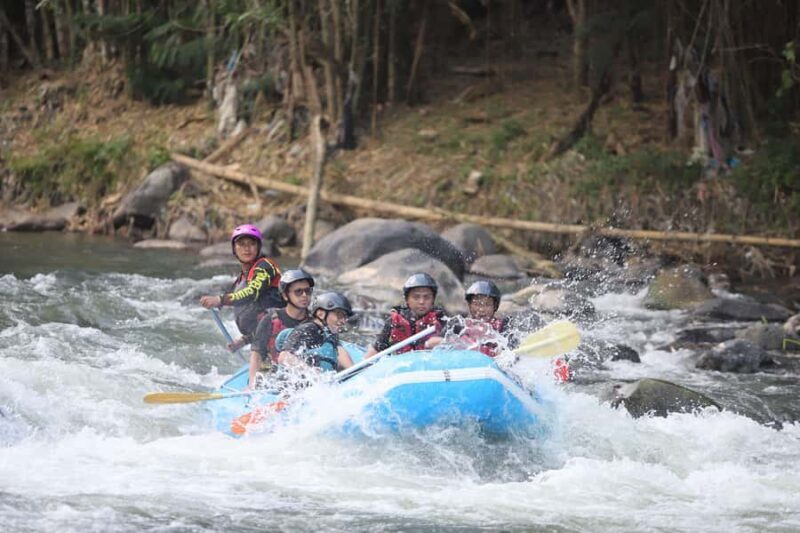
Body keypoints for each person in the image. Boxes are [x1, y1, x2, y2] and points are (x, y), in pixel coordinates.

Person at [199, 224, 282, 350]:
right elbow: (258, 317)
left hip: (280, 335)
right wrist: (244, 341)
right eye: (241, 244)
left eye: (251, 244)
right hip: (265, 339)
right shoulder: (241, 279)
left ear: (258, 247)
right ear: (234, 249)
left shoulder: (265, 266)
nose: (246, 248)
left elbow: (253, 292)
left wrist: (221, 299)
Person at [247, 269, 314, 389]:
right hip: (274, 376)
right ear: (285, 295)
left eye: (308, 291)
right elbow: (256, 354)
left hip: (303, 376)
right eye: (298, 292)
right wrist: (252, 383)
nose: (304, 295)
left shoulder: (314, 322)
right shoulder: (270, 320)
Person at [364, 273, 447, 358]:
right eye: (416, 297)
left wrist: (444, 342)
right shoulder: (393, 322)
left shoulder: (442, 320)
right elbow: (376, 351)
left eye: (427, 297)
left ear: (433, 300)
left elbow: (458, 342)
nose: (421, 302)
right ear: (407, 300)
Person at [278, 291, 355, 373]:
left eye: (345, 317)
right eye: (339, 315)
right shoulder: (307, 329)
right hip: (295, 383)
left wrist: (353, 369)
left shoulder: (331, 335)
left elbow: (339, 352)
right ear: (321, 314)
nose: (343, 321)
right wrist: (313, 374)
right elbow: (284, 357)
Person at [455, 280, 515, 358]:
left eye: (487, 304)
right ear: (469, 305)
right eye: (477, 304)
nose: (481, 309)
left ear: (495, 306)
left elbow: (512, 353)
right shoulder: (459, 327)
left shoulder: (504, 327)